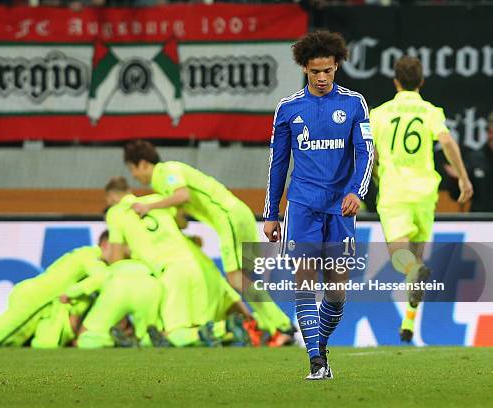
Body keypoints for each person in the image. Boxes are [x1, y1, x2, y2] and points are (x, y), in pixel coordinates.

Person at [263, 30, 373, 380]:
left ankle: (319, 344)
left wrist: (357, 191)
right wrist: (270, 213)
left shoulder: (354, 104)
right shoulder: (289, 108)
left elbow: (366, 152)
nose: (322, 78)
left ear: (336, 66)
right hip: (302, 206)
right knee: (305, 284)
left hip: (341, 208)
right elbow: (278, 163)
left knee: (337, 293)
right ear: (305, 70)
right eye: (315, 72)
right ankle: (316, 361)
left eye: (327, 71)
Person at [122, 140, 296, 346]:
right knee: (246, 279)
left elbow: (182, 195)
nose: (133, 175)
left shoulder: (166, 171)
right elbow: (181, 214)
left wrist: (148, 207)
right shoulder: (168, 177)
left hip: (228, 218)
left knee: (235, 278)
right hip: (239, 215)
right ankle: (274, 328)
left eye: (132, 169)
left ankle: (280, 325)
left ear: (143, 164)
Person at [370, 55, 473, 342]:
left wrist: (377, 177)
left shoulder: (378, 114)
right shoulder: (430, 111)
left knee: (402, 260)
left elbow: (372, 155)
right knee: (417, 258)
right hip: (425, 192)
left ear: (395, 81)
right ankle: (408, 325)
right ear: (422, 82)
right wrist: (463, 178)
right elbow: (448, 141)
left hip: (395, 192)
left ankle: (414, 273)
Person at [104, 176, 249, 347]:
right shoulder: (158, 200)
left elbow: (116, 259)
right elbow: (181, 221)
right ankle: (241, 328)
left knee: (173, 336)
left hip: (171, 273)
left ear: (111, 198)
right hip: (196, 266)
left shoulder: (115, 213)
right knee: (199, 330)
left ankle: (225, 329)